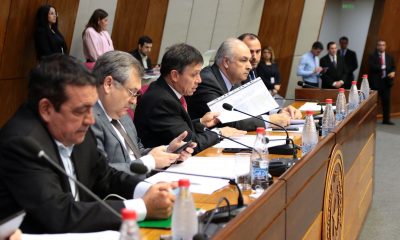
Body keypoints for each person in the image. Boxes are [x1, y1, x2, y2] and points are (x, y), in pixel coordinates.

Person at [0, 54, 175, 233]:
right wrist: (142, 207)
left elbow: (105, 176)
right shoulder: (22, 143)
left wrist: (147, 190)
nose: (90, 120)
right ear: (46, 109)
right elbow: (59, 214)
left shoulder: (76, 128)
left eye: (91, 108)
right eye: (81, 111)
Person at [91, 51, 195, 175]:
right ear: (108, 84)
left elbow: (136, 152)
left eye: (137, 94)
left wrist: (167, 152)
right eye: (132, 92)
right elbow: (101, 174)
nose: (134, 101)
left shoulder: (122, 114)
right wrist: (150, 161)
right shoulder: (88, 120)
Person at [134, 43, 245, 154]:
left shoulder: (165, 91)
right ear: (175, 75)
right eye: (194, 75)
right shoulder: (160, 101)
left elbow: (178, 127)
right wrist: (219, 133)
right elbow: (190, 144)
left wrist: (201, 123)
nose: (199, 80)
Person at [186, 38, 301, 131]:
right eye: (243, 60)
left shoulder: (234, 79)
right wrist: (270, 120)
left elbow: (249, 108)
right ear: (226, 62)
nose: (249, 66)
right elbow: (226, 119)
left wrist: (278, 112)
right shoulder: (207, 81)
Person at [368, 40, 396, 125]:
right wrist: (384, 67)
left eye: (383, 45)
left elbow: (393, 67)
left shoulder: (389, 57)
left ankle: (386, 120)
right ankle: (371, 120)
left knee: (386, 102)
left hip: (386, 82)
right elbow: (373, 67)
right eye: (380, 45)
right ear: (377, 46)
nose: (381, 47)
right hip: (375, 83)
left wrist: (393, 72)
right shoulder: (372, 56)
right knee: (374, 103)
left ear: (385, 46)